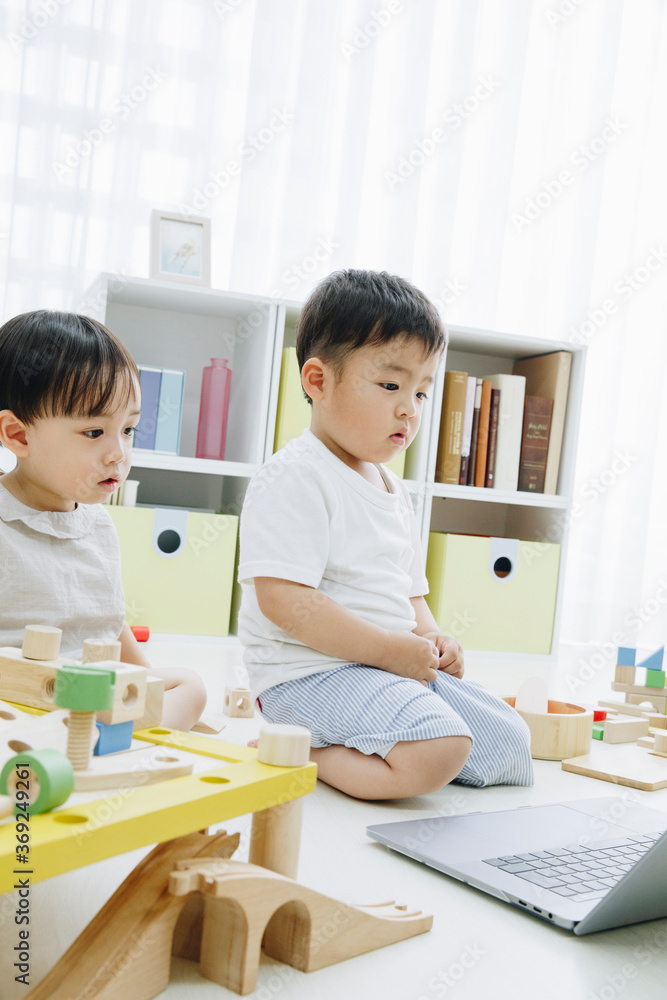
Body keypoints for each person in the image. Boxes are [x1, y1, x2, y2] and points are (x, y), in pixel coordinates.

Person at [238, 269, 533, 799]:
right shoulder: (296, 476)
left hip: (383, 668)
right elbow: (284, 601)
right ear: (317, 381)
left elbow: (408, 596)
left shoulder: (394, 490)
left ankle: (389, 742)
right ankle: (298, 747)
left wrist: (433, 640)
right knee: (440, 747)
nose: (408, 409)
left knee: (511, 741)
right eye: (392, 386)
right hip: (307, 675)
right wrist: (387, 652)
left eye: (421, 392)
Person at [0, 310, 207, 731]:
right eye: (94, 433)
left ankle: (112, 734)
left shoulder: (98, 525)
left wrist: (144, 683)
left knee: (191, 686)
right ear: (19, 435)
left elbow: (108, 622)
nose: (118, 454)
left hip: (94, 691)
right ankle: (108, 737)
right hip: (20, 695)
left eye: (128, 430)